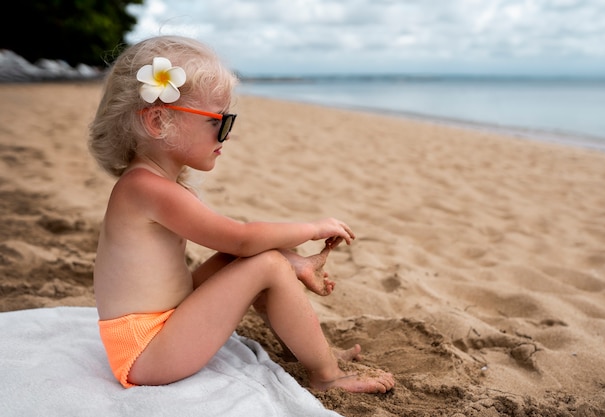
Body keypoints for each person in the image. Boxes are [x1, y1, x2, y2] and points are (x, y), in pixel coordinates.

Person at [88, 35, 394, 394]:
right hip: (146, 353)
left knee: (249, 259)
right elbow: (240, 237)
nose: (227, 135)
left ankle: (307, 347)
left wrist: (289, 257)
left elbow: (237, 245)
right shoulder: (146, 188)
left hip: (162, 326)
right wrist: (310, 228)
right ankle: (327, 376)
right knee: (263, 263)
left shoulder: (153, 184)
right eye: (219, 121)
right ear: (159, 121)